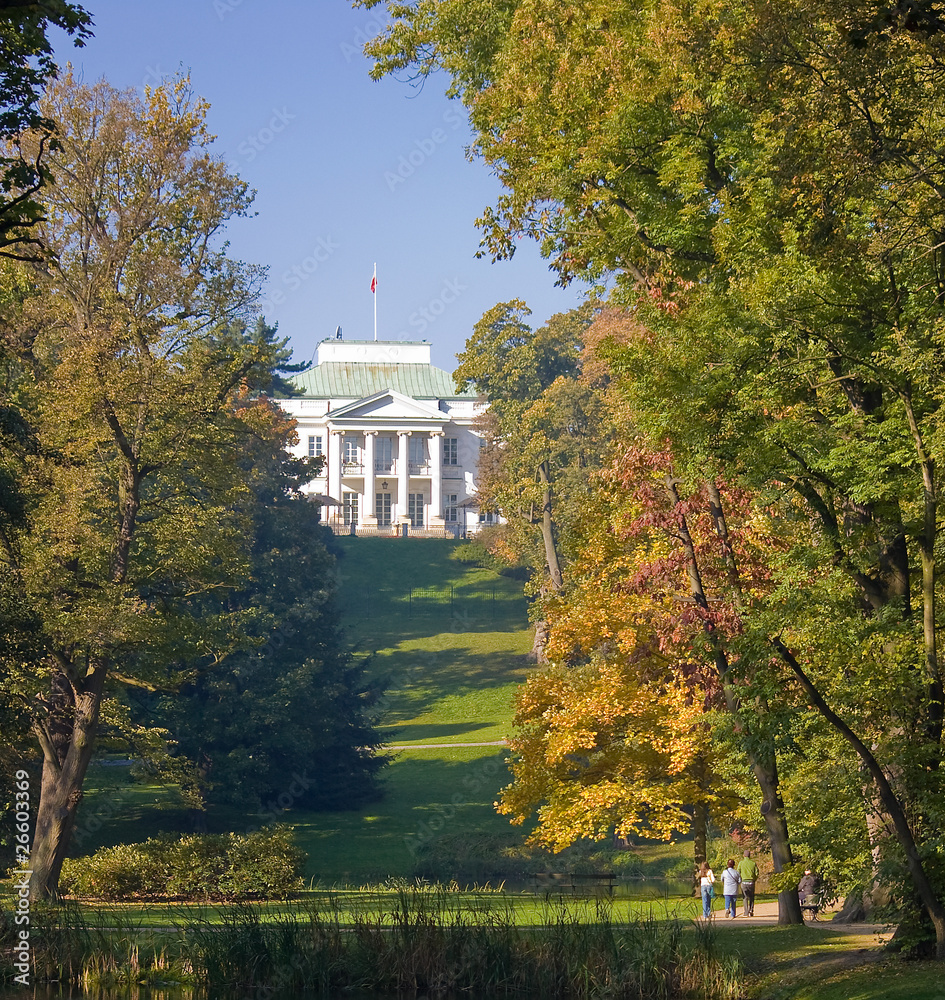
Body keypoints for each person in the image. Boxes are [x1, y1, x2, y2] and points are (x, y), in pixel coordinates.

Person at [737, 850, 759, 916]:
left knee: (745, 897)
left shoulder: (741, 863)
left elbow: (738, 872)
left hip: (744, 882)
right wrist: (754, 879)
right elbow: (757, 873)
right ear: (749, 855)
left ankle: (746, 912)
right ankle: (751, 910)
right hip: (751, 882)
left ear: (744, 855)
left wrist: (740, 879)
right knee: (751, 897)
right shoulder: (753, 863)